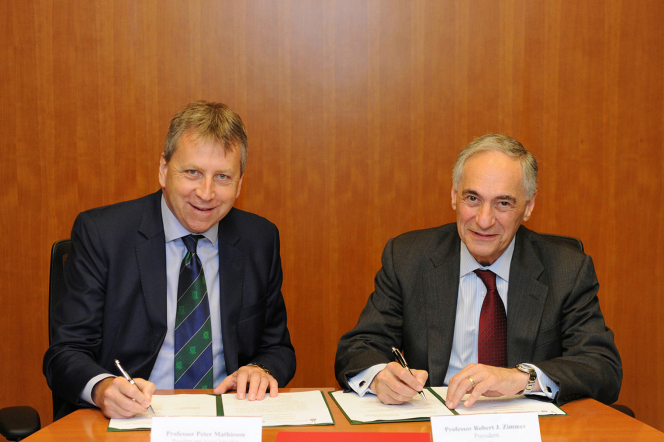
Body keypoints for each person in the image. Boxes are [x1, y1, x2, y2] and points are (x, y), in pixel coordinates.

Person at [44, 101, 296, 419]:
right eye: (192, 172)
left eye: (222, 177)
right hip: (132, 418)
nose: (205, 193)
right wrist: (102, 388)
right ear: (164, 169)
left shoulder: (259, 239)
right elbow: (65, 352)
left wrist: (261, 369)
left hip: (229, 420)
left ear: (240, 183)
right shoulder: (102, 234)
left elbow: (278, 348)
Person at [335, 134, 621, 409]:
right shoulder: (409, 257)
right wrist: (379, 377)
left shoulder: (566, 268)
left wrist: (522, 378)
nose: (484, 220)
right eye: (472, 199)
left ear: (529, 206)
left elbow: (601, 366)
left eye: (503, 203)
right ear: (454, 197)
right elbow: (359, 347)